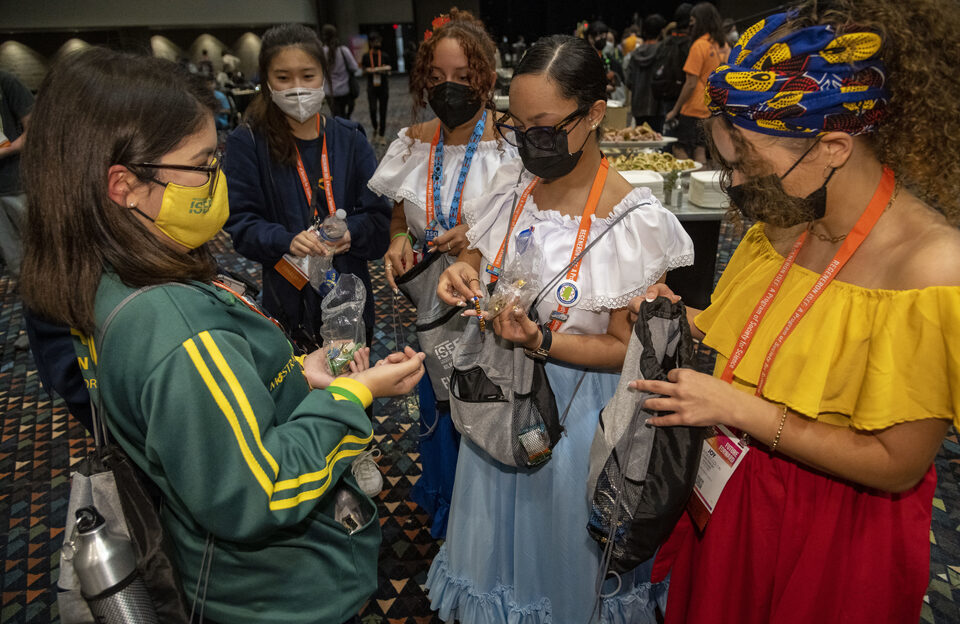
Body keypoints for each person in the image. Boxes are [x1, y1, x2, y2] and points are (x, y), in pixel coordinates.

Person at [20, 46, 426, 624]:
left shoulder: (108, 276)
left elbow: (202, 422)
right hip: (279, 590)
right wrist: (352, 396)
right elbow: (261, 491)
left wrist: (293, 375)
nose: (217, 181)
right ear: (125, 184)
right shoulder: (179, 328)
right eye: (203, 164)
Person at [632, 2, 960, 622]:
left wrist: (739, 409)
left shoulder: (930, 269)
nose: (735, 184)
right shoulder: (787, 222)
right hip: (733, 503)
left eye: (748, 163)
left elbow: (898, 464)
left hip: (835, 536)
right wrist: (680, 315)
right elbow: (757, 339)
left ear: (832, 146)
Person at [426, 34, 694, 623]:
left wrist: (542, 340)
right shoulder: (514, 192)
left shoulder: (636, 225)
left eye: (543, 125)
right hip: (503, 409)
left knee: (560, 566)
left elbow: (628, 351)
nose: (528, 142)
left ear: (594, 114)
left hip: (578, 426)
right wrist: (464, 272)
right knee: (496, 551)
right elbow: (478, 253)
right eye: (517, 126)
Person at [367, 7, 518, 539]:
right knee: (438, 394)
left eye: (462, 78)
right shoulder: (413, 140)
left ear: (486, 80)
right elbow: (398, 208)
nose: (447, 89)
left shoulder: (511, 144)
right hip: (431, 302)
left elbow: (527, 220)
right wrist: (398, 239)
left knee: (489, 398)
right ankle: (450, 498)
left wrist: (475, 243)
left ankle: (491, 516)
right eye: (436, 78)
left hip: (493, 302)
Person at [223, 24, 390, 356]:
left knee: (354, 396)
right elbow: (241, 224)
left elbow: (379, 217)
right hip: (289, 300)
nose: (297, 88)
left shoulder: (350, 138)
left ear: (324, 77)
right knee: (300, 399)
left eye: (308, 76)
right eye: (283, 78)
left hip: (349, 299)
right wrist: (286, 240)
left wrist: (350, 234)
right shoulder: (250, 142)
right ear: (267, 80)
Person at [665, 2, 729, 163]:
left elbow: (691, 83)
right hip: (713, 108)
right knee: (701, 151)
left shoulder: (699, 45)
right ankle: (699, 187)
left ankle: (685, 187)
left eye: (693, 20)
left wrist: (675, 110)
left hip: (694, 107)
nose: (690, 24)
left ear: (700, 21)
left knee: (680, 148)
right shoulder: (724, 46)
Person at [0, 70, 33, 280]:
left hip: (16, 183)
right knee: (13, 260)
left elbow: (33, 131)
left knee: (39, 246)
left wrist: (5, 151)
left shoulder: (6, 82)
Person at [626, 13, 668, 132]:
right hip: (657, 107)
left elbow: (628, 81)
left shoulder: (635, 54)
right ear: (661, 31)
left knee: (639, 141)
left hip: (638, 106)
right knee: (656, 142)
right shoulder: (663, 51)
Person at [322, 24, 361, 119]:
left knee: (335, 115)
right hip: (344, 90)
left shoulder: (321, 52)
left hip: (329, 91)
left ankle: (338, 130)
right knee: (344, 114)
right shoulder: (344, 50)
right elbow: (354, 67)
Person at [361, 31, 392, 145]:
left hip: (383, 87)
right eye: (375, 41)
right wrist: (371, 70)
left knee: (383, 111)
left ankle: (382, 135)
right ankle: (375, 127)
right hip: (371, 87)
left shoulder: (384, 55)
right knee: (373, 109)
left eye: (379, 41)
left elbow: (389, 69)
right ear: (370, 42)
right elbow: (364, 70)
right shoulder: (366, 56)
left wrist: (383, 70)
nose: (377, 43)